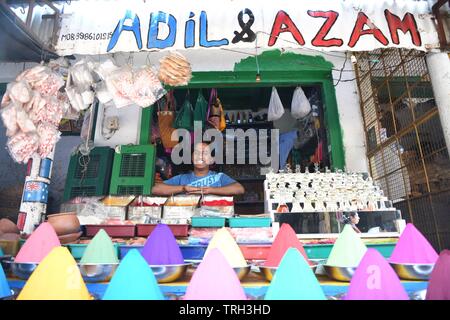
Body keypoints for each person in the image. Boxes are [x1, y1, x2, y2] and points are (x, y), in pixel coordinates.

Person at [151, 142, 245, 196]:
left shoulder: (219, 178)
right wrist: (183, 188)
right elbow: (154, 189)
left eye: (205, 153)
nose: (200, 156)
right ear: (191, 157)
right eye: (196, 153)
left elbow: (239, 189)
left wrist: (211, 190)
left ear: (212, 160)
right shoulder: (181, 178)